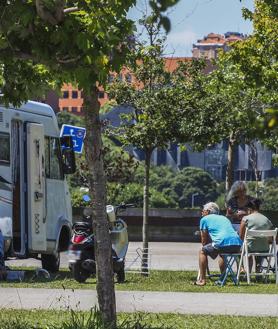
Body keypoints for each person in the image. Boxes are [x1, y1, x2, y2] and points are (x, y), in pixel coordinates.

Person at [195, 202, 242, 286]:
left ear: (208, 211)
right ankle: (222, 279)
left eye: (203, 210)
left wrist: (209, 249)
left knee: (202, 251)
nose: (202, 212)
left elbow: (204, 241)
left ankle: (202, 280)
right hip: (237, 244)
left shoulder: (204, 219)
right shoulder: (224, 218)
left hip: (222, 243)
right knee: (222, 254)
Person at [239, 197, 273, 272]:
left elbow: (240, 237)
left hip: (249, 248)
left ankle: (242, 268)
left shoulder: (246, 219)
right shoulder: (266, 219)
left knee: (237, 246)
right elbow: (270, 239)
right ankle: (258, 269)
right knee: (259, 246)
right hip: (264, 249)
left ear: (250, 209)